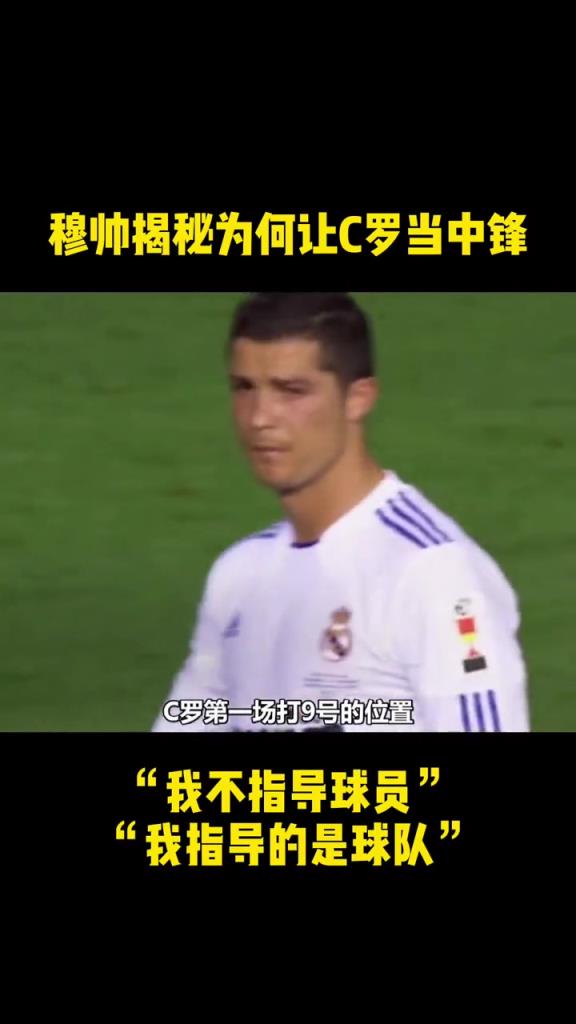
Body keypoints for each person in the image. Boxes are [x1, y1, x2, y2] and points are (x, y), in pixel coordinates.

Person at [152, 293, 530, 733]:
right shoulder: (238, 576)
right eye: (245, 388)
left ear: (358, 398)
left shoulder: (433, 573)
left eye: (291, 391)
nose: (259, 418)